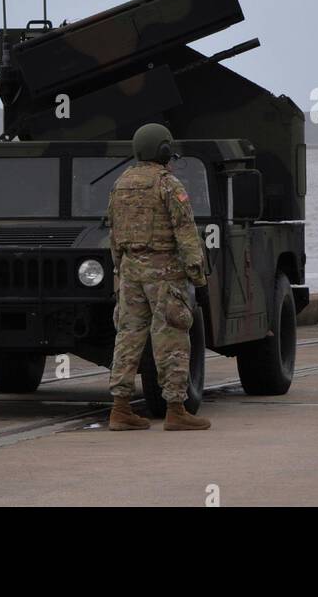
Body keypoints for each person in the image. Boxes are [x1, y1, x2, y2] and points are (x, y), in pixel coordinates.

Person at [106, 123, 211, 432]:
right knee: (172, 335)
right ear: (164, 150)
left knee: (128, 335)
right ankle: (176, 409)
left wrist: (119, 268)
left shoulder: (120, 183)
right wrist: (197, 273)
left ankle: (120, 408)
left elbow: (113, 234)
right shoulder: (168, 184)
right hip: (165, 273)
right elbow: (186, 233)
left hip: (130, 272)